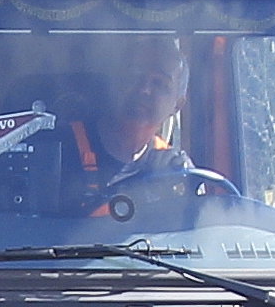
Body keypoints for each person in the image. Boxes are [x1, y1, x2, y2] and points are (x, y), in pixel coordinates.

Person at [54, 51, 193, 218]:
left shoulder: (176, 172)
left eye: (160, 84)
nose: (144, 90)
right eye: (135, 76)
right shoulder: (57, 149)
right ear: (114, 83)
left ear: (177, 106)